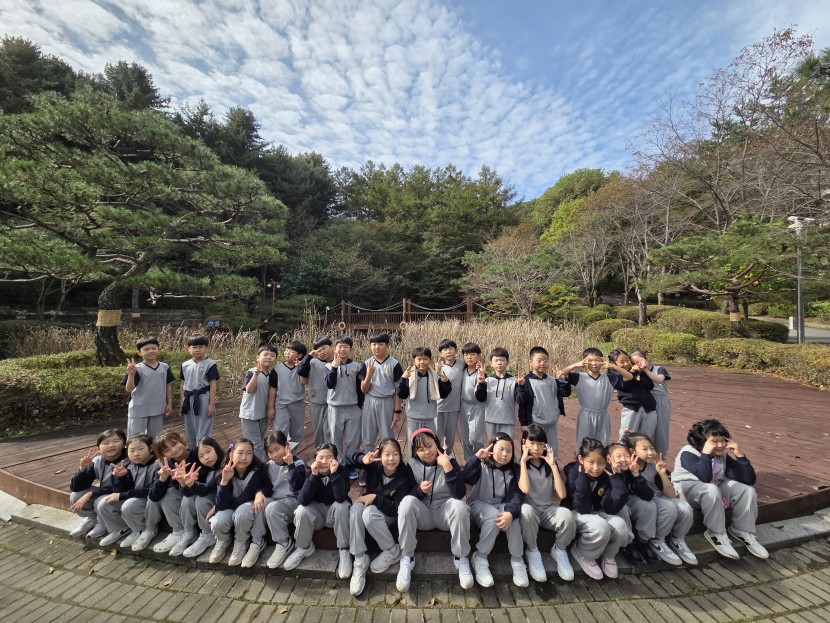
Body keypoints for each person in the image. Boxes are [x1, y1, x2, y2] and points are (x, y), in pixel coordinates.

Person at [671, 419, 768, 560]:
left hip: (713, 489)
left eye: (723, 440)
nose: (721, 445)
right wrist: (706, 454)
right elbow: (704, 477)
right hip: (688, 491)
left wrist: (739, 455)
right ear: (702, 441)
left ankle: (742, 530)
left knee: (747, 490)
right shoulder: (688, 453)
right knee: (711, 489)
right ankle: (716, 533)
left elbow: (749, 479)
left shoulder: (721, 455)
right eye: (714, 441)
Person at [397, 428, 473, 592]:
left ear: (437, 444)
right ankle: (407, 557)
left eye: (429, 446)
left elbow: (459, 493)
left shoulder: (450, 461)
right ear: (415, 452)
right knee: (406, 503)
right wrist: (419, 491)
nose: (426, 452)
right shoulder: (412, 465)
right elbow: (407, 494)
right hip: (424, 513)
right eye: (420, 449)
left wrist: (447, 466)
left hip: (445, 512)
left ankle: (461, 558)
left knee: (460, 506)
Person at [347, 438, 414, 596]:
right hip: (370, 505)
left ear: (400, 456)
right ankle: (359, 559)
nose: (391, 458)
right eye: (387, 454)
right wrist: (362, 459)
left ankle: (391, 550)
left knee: (368, 513)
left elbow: (396, 508)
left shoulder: (403, 476)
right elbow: (349, 455)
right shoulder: (373, 467)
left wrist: (375, 498)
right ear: (380, 455)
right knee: (355, 509)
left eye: (395, 454)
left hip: (389, 513)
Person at [462, 433, 529, 588]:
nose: (505, 454)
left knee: (512, 518)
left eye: (509, 451)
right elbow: (466, 477)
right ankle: (480, 557)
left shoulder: (514, 470)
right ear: (492, 448)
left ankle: (518, 561)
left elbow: (516, 495)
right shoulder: (482, 464)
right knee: (495, 517)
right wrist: (476, 458)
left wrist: (510, 513)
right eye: (501, 449)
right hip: (478, 503)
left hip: (501, 505)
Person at [562, 438, 631, 580]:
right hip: (576, 512)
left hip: (596, 512)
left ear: (606, 460)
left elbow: (611, 508)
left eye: (600, 462)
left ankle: (608, 555)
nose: (596, 468)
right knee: (600, 526)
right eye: (591, 462)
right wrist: (582, 478)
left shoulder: (606, 475)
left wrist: (616, 479)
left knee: (620, 525)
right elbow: (582, 507)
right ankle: (584, 553)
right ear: (581, 459)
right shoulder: (574, 474)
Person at [624, 432, 696, 565]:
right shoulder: (628, 467)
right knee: (668, 508)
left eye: (652, 448)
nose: (650, 452)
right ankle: (657, 540)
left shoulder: (653, 465)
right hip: (638, 499)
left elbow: (672, 495)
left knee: (684, 507)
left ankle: (678, 539)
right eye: (645, 449)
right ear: (632, 451)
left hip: (652, 496)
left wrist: (662, 474)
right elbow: (644, 495)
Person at [282, 444, 352, 577]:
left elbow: (340, 497)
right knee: (301, 510)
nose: (324, 461)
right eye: (320, 458)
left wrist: (334, 474)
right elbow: (303, 500)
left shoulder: (342, 472)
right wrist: (313, 476)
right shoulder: (310, 473)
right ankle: (304, 547)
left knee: (342, 506)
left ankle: (344, 550)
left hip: (334, 515)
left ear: (336, 459)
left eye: (329, 457)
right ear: (315, 459)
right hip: (317, 517)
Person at [518, 424, 575, 582]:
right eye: (532, 443)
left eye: (541, 444)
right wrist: (523, 462)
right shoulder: (519, 465)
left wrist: (553, 465)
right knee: (526, 511)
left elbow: (562, 494)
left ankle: (559, 549)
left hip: (548, 510)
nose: (536, 448)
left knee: (566, 514)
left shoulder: (549, 465)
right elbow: (525, 489)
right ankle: (532, 550)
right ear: (523, 443)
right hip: (531, 512)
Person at [209, 438, 272, 567]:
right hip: (230, 506)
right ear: (231, 455)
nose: (244, 457)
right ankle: (223, 540)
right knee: (217, 521)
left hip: (245, 508)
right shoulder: (224, 471)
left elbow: (246, 498)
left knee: (241, 513)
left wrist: (219, 506)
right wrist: (224, 482)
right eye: (240, 453)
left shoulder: (257, 472)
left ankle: (241, 542)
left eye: (249, 453)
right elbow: (220, 504)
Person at [133, 431, 196, 553]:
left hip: (197, 497)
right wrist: (163, 479)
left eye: (174, 444)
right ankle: (177, 531)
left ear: (182, 438)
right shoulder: (165, 466)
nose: (173, 450)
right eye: (166, 450)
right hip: (181, 497)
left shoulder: (198, 455)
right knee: (166, 493)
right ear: (163, 454)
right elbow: (153, 497)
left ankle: (189, 532)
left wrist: (186, 482)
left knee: (185, 498)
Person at [605, 442, 663, 566]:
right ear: (608, 459)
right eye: (618, 456)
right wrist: (617, 476)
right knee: (622, 509)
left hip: (626, 501)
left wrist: (636, 475)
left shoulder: (630, 470)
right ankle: (628, 544)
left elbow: (648, 495)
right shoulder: (606, 472)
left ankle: (642, 541)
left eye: (626, 456)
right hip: (610, 506)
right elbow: (615, 502)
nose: (623, 459)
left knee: (649, 505)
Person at [558, 348, 630, 447]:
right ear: (584, 361)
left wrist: (613, 366)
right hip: (585, 416)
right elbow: (561, 374)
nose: (594, 363)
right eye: (590, 360)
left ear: (602, 361)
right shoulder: (579, 377)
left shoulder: (609, 378)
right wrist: (576, 365)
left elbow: (629, 377)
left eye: (597, 360)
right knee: (584, 444)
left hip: (603, 415)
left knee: (603, 445)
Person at [358, 332, 403, 486]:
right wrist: (369, 375)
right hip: (370, 401)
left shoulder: (394, 364)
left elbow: (398, 390)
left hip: (387, 402)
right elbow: (363, 389)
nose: (377, 347)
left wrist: (397, 412)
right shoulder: (367, 363)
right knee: (368, 437)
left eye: (380, 344)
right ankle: (368, 469)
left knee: (387, 437)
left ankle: (390, 470)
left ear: (387, 345)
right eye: (374, 344)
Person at [96, 433, 155, 547]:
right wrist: (122, 477)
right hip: (134, 497)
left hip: (151, 500)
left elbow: (151, 490)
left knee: (128, 505)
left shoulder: (157, 465)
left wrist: (123, 495)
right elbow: (121, 489)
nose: (136, 453)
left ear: (151, 448)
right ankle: (120, 528)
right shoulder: (129, 466)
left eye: (141, 449)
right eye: (131, 450)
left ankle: (141, 529)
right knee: (104, 503)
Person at [68, 429, 128, 539]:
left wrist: (91, 493)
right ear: (99, 448)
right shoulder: (98, 461)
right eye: (106, 443)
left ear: (124, 444)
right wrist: (82, 469)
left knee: (101, 500)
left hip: (124, 494)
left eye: (116, 441)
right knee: (76, 495)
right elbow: (76, 487)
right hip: (105, 491)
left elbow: (121, 487)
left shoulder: (128, 460)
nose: (111, 445)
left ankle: (104, 522)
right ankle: (93, 519)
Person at [172, 436, 225, 557]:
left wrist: (192, 484)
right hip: (213, 500)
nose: (206, 457)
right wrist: (183, 483)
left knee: (202, 500)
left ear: (216, 448)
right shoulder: (203, 469)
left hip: (225, 503)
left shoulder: (225, 466)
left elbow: (206, 490)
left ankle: (208, 534)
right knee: (187, 500)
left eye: (208, 451)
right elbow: (190, 493)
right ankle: (189, 532)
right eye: (201, 456)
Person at [515, 346, 570, 461]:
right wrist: (523, 423)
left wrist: (562, 380)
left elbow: (566, 393)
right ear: (530, 362)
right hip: (535, 423)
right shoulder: (526, 381)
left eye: (545, 360)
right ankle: (530, 470)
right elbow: (522, 404)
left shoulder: (552, 380)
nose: (542, 363)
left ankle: (551, 469)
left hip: (551, 423)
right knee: (534, 451)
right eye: (539, 360)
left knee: (551, 451)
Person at [263, 431, 306, 569]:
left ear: (286, 446)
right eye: (270, 452)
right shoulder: (269, 466)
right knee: (259, 504)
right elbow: (266, 488)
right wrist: (260, 494)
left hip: (293, 500)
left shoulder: (298, 464)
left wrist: (290, 465)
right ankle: (256, 541)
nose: (275, 455)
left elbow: (295, 487)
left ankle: (284, 543)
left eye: (277, 449)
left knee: (272, 508)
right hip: (276, 500)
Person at [326, 336, 364, 479]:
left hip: (352, 407)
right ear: (334, 349)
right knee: (335, 438)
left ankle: (350, 465)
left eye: (346, 347)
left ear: (351, 349)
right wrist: (334, 367)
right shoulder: (328, 366)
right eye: (340, 346)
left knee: (353, 439)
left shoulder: (356, 366)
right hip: (335, 407)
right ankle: (339, 465)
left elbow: (360, 389)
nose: (342, 349)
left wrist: (360, 405)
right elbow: (330, 384)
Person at [122, 337, 174, 439]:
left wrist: (169, 403)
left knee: (155, 438)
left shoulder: (164, 367)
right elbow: (129, 389)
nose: (150, 351)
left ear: (158, 350)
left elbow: (167, 385)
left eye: (153, 348)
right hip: (139, 409)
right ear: (139, 353)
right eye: (146, 349)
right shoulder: (137, 369)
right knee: (136, 439)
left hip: (158, 408)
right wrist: (131, 375)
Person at [396, 346, 451, 441]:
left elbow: (443, 394)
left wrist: (446, 382)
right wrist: (403, 379)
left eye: (425, 359)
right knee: (412, 444)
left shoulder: (435, 377)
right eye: (419, 359)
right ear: (413, 361)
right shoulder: (408, 377)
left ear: (431, 360)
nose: (422, 362)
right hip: (413, 417)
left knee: (430, 443)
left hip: (430, 418)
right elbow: (401, 394)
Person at [179, 335, 220, 450]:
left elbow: (213, 384)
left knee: (204, 426)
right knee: (190, 427)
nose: (197, 349)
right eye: (194, 347)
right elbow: (183, 383)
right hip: (188, 398)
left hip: (203, 397)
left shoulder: (210, 364)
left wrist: (211, 404)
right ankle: (192, 451)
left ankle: (203, 450)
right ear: (189, 348)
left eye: (201, 347)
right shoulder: (185, 365)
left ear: (206, 348)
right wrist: (182, 402)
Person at [607, 349, 657, 442]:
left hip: (649, 408)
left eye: (627, 360)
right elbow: (625, 385)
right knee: (626, 439)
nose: (626, 364)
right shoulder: (614, 376)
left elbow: (650, 386)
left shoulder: (637, 371)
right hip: (631, 409)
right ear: (613, 363)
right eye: (622, 362)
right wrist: (632, 372)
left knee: (646, 439)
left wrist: (642, 372)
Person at [239, 345, 279, 461]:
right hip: (249, 413)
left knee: (259, 441)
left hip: (262, 413)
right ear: (258, 357)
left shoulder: (271, 375)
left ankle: (254, 463)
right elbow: (248, 389)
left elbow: (271, 393)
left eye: (272, 355)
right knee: (255, 443)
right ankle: (261, 466)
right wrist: (256, 375)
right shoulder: (251, 372)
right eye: (265, 354)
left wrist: (270, 409)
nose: (269, 357)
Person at [630, 350, 672, 456]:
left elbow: (659, 380)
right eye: (634, 363)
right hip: (647, 402)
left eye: (639, 360)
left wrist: (645, 370)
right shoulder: (637, 372)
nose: (638, 364)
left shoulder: (659, 369)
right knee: (647, 429)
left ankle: (661, 455)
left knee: (661, 430)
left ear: (646, 358)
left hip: (661, 402)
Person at [475, 347, 519, 440]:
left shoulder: (514, 381)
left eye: (502, 360)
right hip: (491, 420)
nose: (499, 363)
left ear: (508, 362)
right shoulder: (487, 380)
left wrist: (522, 386)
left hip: (508, 420)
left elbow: (519, 399)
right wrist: (481, 383)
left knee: (507, 444)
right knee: (492, 444)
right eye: (496, 360)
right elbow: (480, 398)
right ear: (491, 363)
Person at [298, 337, 334, 449]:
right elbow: (301, 371)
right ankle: (319, 451)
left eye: (324, 348)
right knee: (318, 429)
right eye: (318, 349)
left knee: (331, 430)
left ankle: (331, 452)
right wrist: (309, 356)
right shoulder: (312, 362)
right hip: (316, 401)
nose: (321, 352)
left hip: (333, 403)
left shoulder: (336, 363)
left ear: (332, 347)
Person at [274, 341, 308, 452]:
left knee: (297, 433)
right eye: (286, 350)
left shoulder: (301, 367)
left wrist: (301, 368)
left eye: (292, 351)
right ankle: (279, 456)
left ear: (299, 355)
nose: (287, 353)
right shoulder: (277, 369)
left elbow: (304, 382)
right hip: (281, 404)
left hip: (298, 404)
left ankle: (292, 455)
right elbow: (272, 389)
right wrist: (270, 407)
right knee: (280, 432)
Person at [436, 339, 465, 456]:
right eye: (444, 349)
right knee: (437, 434)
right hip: (439, 407)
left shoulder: (462, 364)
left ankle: (447, 455)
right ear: (440, 353)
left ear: (456, 351)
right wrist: (437, 372)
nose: (448, 351)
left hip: (454, 407)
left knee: (450, 435)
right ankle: (436, 456)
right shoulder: (439, 367)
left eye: (450, 348)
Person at [459, 342, 486, 462]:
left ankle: (479, 459)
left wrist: (482, 378)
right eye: (466, 355)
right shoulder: (462, 370)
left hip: (477, 406)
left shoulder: (481, 372)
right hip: (464, 405)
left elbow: (482, 393)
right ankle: (469, 462)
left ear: (479, 356)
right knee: (466, 438)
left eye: (472, 354)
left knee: (475, 438)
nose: (469, 357)